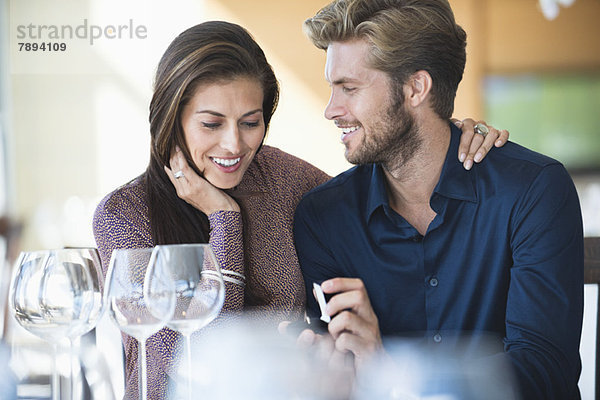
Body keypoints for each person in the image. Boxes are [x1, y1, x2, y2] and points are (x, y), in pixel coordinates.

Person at [93, 21, 507, 399]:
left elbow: (384, 190)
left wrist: (450, 137)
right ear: (171, 118)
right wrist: (223, 219)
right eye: (211, 124)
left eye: (250, 122)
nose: (234, 146)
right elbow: (186, 370)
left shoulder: (289, 182)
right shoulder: (125, 216)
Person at [293, 1, 584, 399]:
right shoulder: (324, 217)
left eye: (349, 88)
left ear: (416, 88)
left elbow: (544, 371)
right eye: (332, 88)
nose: (332, 110)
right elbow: (339, 375)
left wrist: (391, 370)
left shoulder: (532, 191)